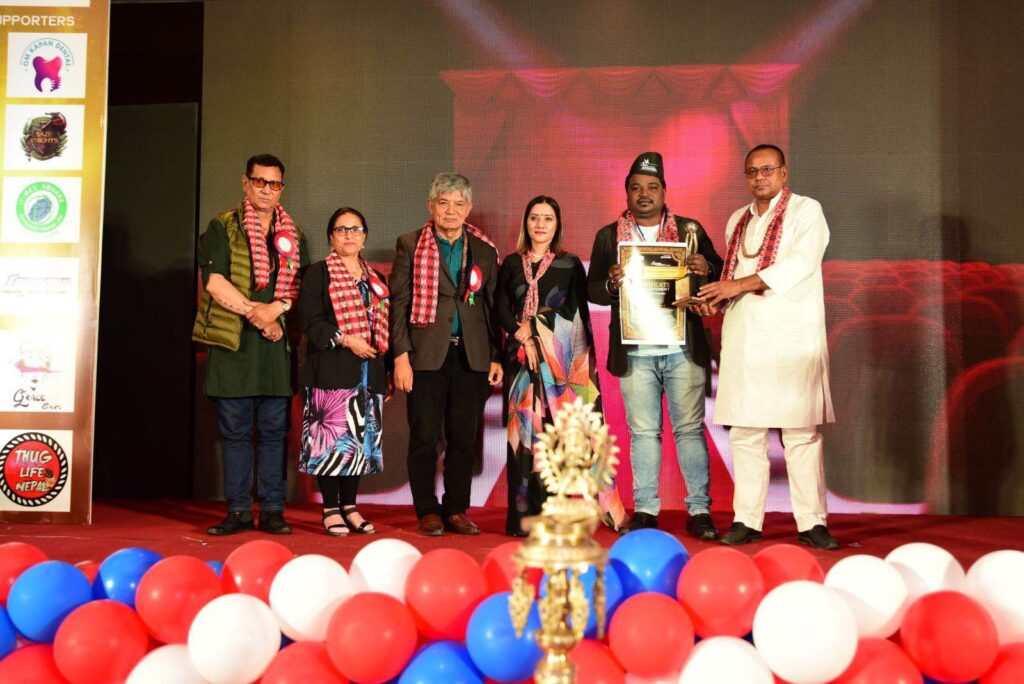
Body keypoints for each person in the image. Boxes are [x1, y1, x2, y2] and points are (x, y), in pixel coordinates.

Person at [698, 144, 838, 550]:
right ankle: (747, 520)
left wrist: (735, 286)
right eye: (752, 171)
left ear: (783, 172)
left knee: (800, 433)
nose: (759, 177)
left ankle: (812, 522)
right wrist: (716, 298)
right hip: (745, 335)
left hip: (792, 335)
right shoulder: (737, 220)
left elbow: (800, 265)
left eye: (767, 169)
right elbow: (735, 276)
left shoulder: (806, 211)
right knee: (745, 432)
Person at [588, 152, 723, 540]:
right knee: (643, 433)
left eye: (651, 187)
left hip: (682, 346)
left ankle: (699, 511)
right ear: (626, 193)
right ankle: (646, 509)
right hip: (635, 350)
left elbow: (719, 270)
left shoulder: (689, 230)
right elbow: (593, 290)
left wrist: (706, 268)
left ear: (664, 191)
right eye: (636, 188)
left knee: (689, 430)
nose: (644, 194)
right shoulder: (609, 236)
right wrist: (610, 283)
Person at [193, 153, 309, 535]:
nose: (266, 190)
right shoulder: (222, 226)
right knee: (235, 432)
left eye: (274, 184)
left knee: (275, 433)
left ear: (281, 189)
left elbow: (300, 289)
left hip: (275, 350)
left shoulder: (294, 235)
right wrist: (258, 315)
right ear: (246, 183)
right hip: (234, 345)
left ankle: (274, 509)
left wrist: (276, 311)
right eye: (259, 182)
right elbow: (214, 282)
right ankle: (239, 510)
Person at [496, 196, 626, 536]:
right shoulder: (511, 263)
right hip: (520, 361)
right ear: (526, 223)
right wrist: (523, 336)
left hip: (562, 365)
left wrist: (536, 326)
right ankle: (524, 517)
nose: (540, 224)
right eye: (534, 218)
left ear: (557, 225)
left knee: (564, 436)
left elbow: (576, 313)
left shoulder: (569, 265)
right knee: (525, 437)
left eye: (548, 219)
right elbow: (499, 307)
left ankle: (570, 512)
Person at [390, 172, 502, 536]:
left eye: (458, 204)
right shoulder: (410, 244)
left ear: (468, 208)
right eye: (443, 203)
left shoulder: (484, 250)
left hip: (472, 356)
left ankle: (455, 509)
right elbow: (398, 303)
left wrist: (495, 355)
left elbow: (491, 307)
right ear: (431, 205)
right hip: (425, 355)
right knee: (424, 436)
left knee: (464, 438)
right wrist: (400, 355)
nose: (451, 211)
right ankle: (427, 510)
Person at [297, 207, 390, 536]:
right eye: (342, 229)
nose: (349, 235)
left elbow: (383, 328)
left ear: (364, 237)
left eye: (356, 229)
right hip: (332, 369)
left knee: (359, 443)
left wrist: (385, 373)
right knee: (332, 444)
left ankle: (350, 506)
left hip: (368, 373)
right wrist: (346, 339)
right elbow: (308, 319)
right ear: (331, 237)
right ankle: (330, 509)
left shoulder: (376, 280)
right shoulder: (318, 273)